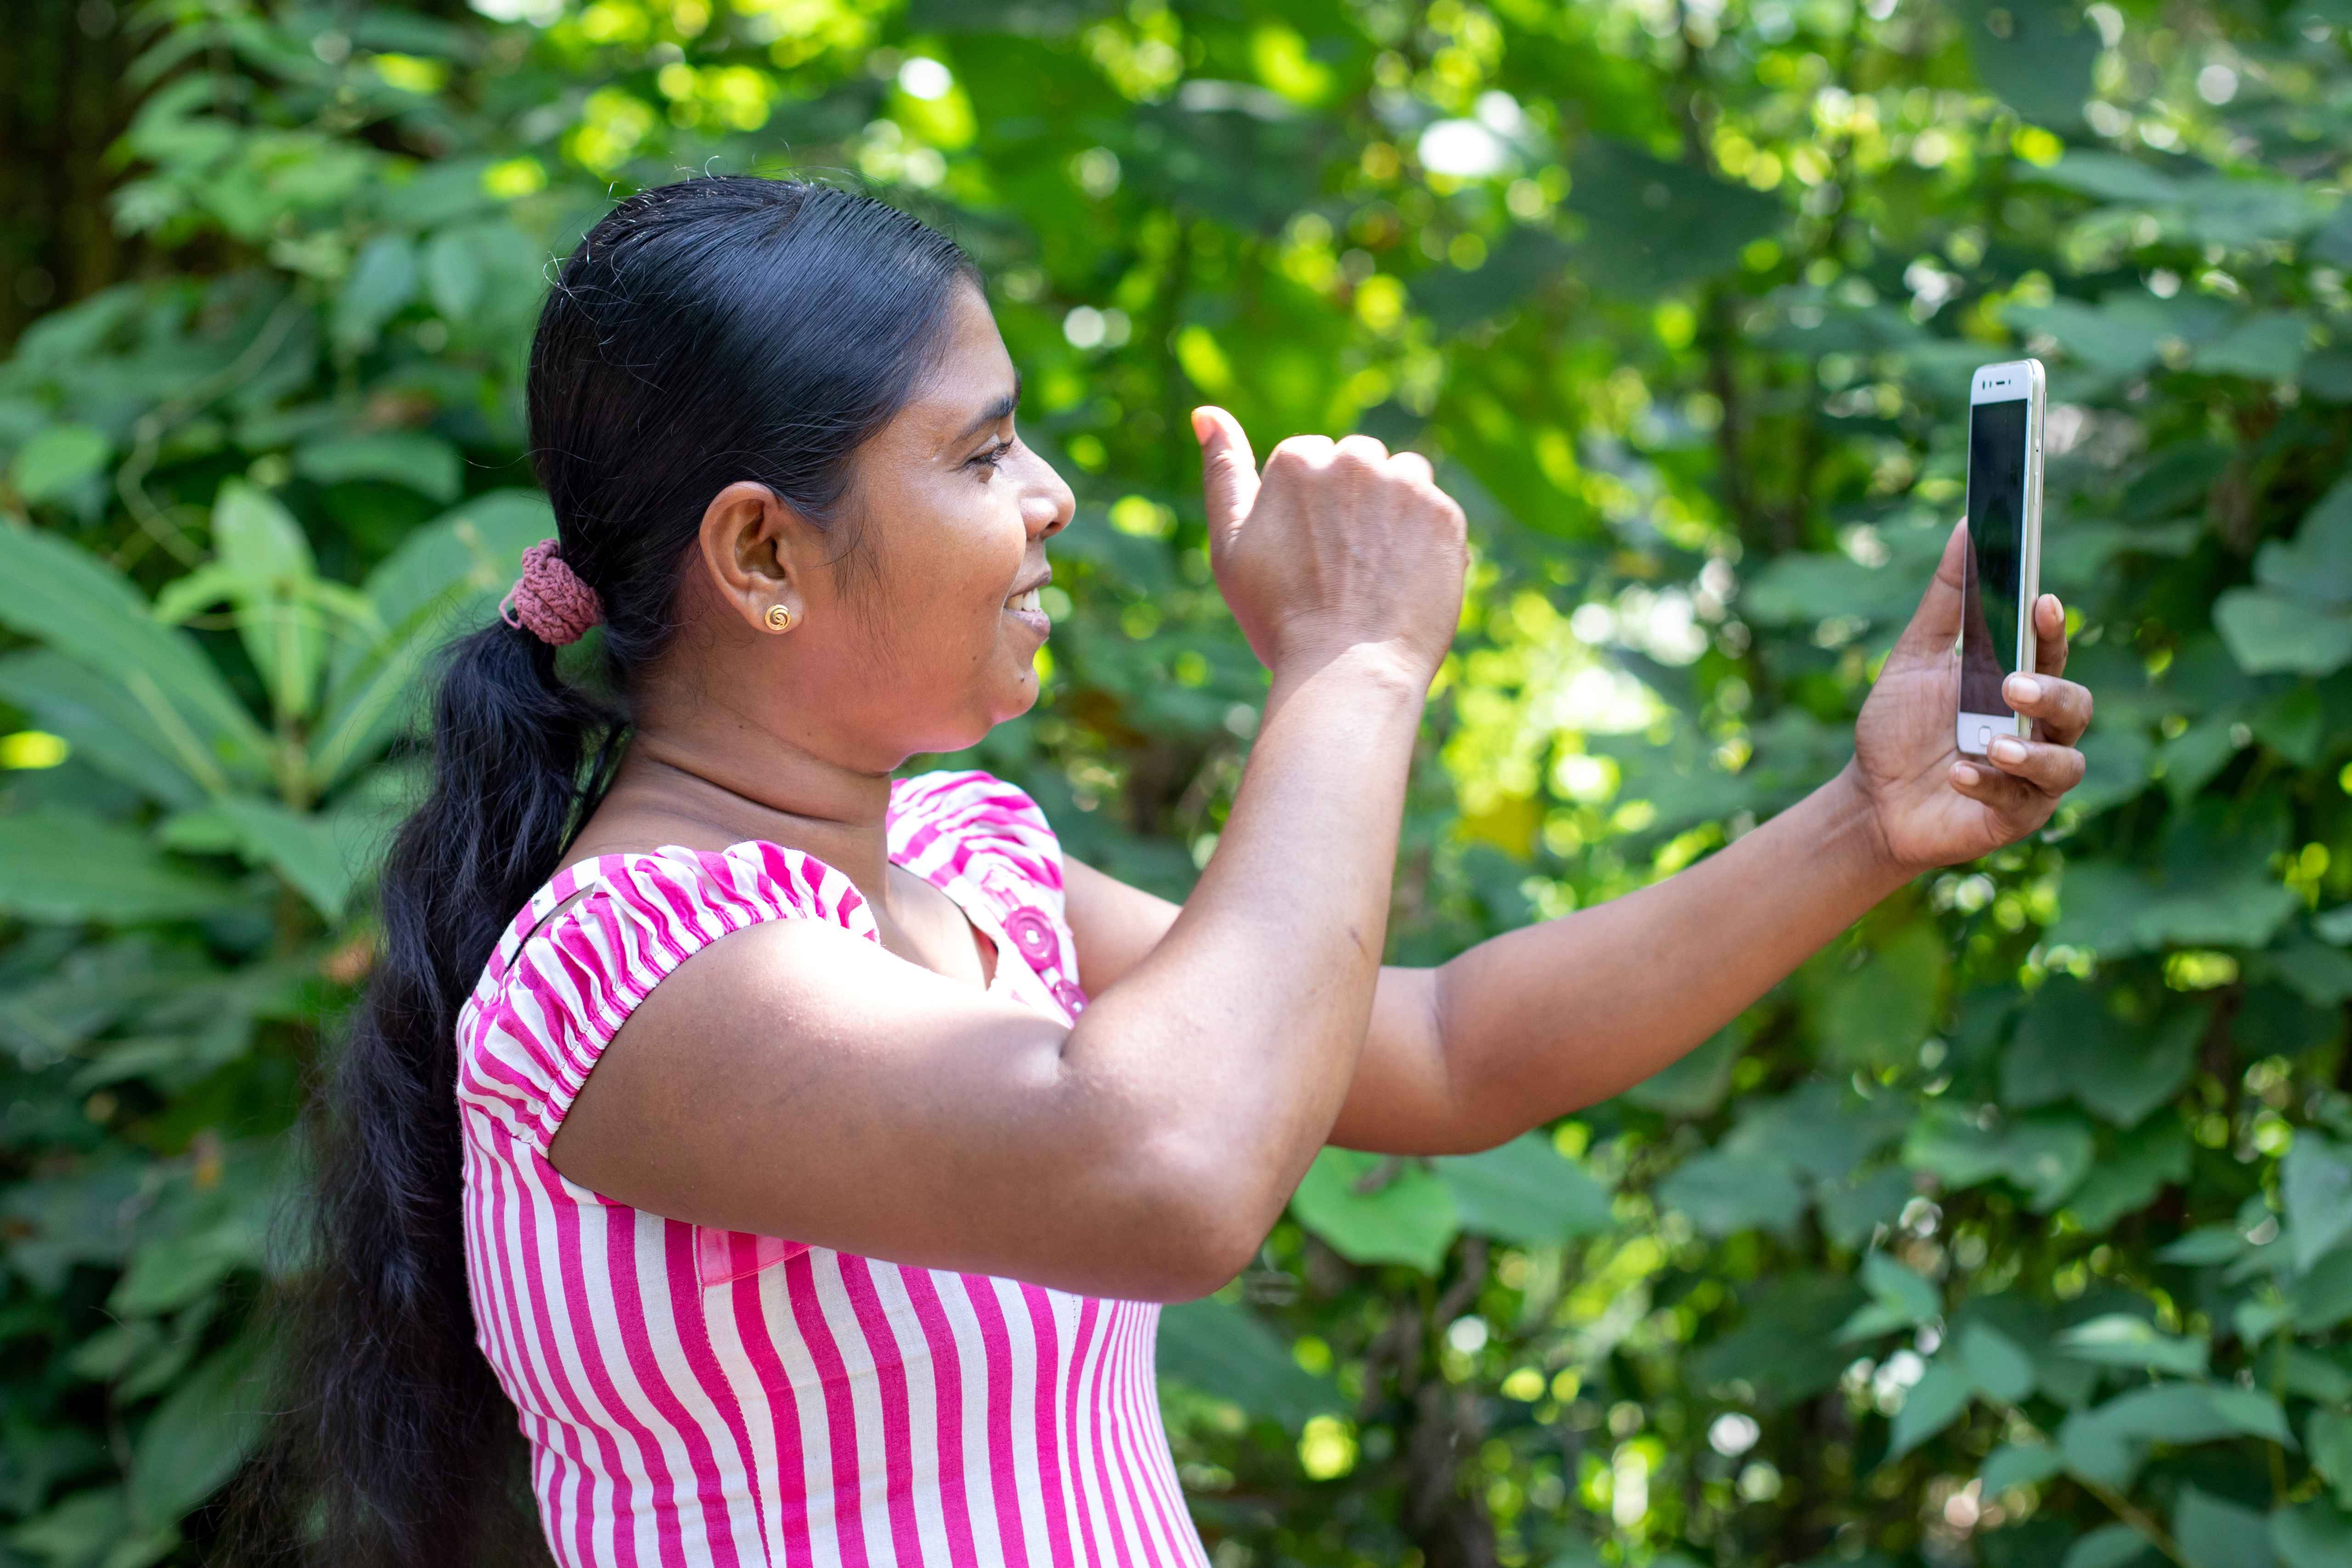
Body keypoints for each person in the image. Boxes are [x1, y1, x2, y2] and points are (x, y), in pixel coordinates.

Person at [266, 175, 2093, 1567]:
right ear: (760, 552)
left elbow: (1441, 1045)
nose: (1048, 492)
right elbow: (1166, 1169)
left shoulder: (965, 863)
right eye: (980, 454)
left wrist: (1863, 822)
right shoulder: (628, 971)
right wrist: (1353, 664)